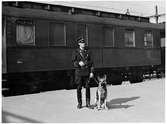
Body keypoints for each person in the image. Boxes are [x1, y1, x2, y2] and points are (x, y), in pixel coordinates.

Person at [72, 37, 94, 109]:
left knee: (87, 88)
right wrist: (78, 63)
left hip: (87, 72)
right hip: (79, 73)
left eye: (84, 42)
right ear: (79, 44)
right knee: (79, 88)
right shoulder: (75, 52)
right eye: (81, 43)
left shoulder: (88, 52)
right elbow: (73, 62)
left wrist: (91, 72)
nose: (83, 44)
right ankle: (79, 103)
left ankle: (88, 103)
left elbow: (92, 63)